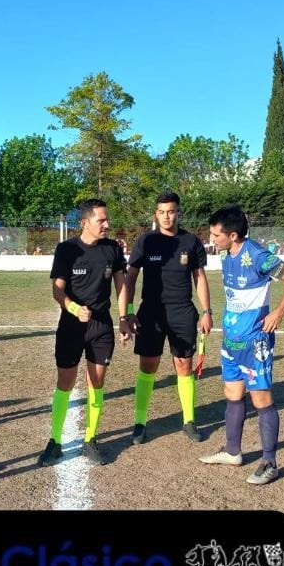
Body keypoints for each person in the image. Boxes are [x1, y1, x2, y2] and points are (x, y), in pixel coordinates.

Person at [199, 205, 284, 485]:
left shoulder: (257, 255)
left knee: (260, 398)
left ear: (233, 235)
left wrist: (278, 313)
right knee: (232, 393)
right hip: (231, 340)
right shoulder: (224, 253)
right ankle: (233, 451)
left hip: (255, 340)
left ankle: (269, 462)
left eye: (215, 235)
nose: (212, 240)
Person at [38, 199, 131, 467]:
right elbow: (58, 289)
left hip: (101, 327)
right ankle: (55, 441)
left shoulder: (112, 249)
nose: (107, 224)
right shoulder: (67, 249)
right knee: (65, 382)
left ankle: (90, 438)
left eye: (107, 220)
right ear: (84, 223)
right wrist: (73, 307)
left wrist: (123, 318)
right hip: (71, 325)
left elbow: (121, 286)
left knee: (97, 382)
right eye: (101, 220)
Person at [124, 191, 212, 445]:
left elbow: (199, 278)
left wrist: (206, 312)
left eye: (171, 211)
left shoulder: (191, 241)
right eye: (161, 212)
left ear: (178, 212)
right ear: (156, 214)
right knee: (148, 366)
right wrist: (128, 311)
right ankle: (140, 423)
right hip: (150, 312)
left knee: (184, 365)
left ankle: (189, 420)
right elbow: (130, 277)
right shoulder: (145, 241)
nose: (166, 216)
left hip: (182, 311)